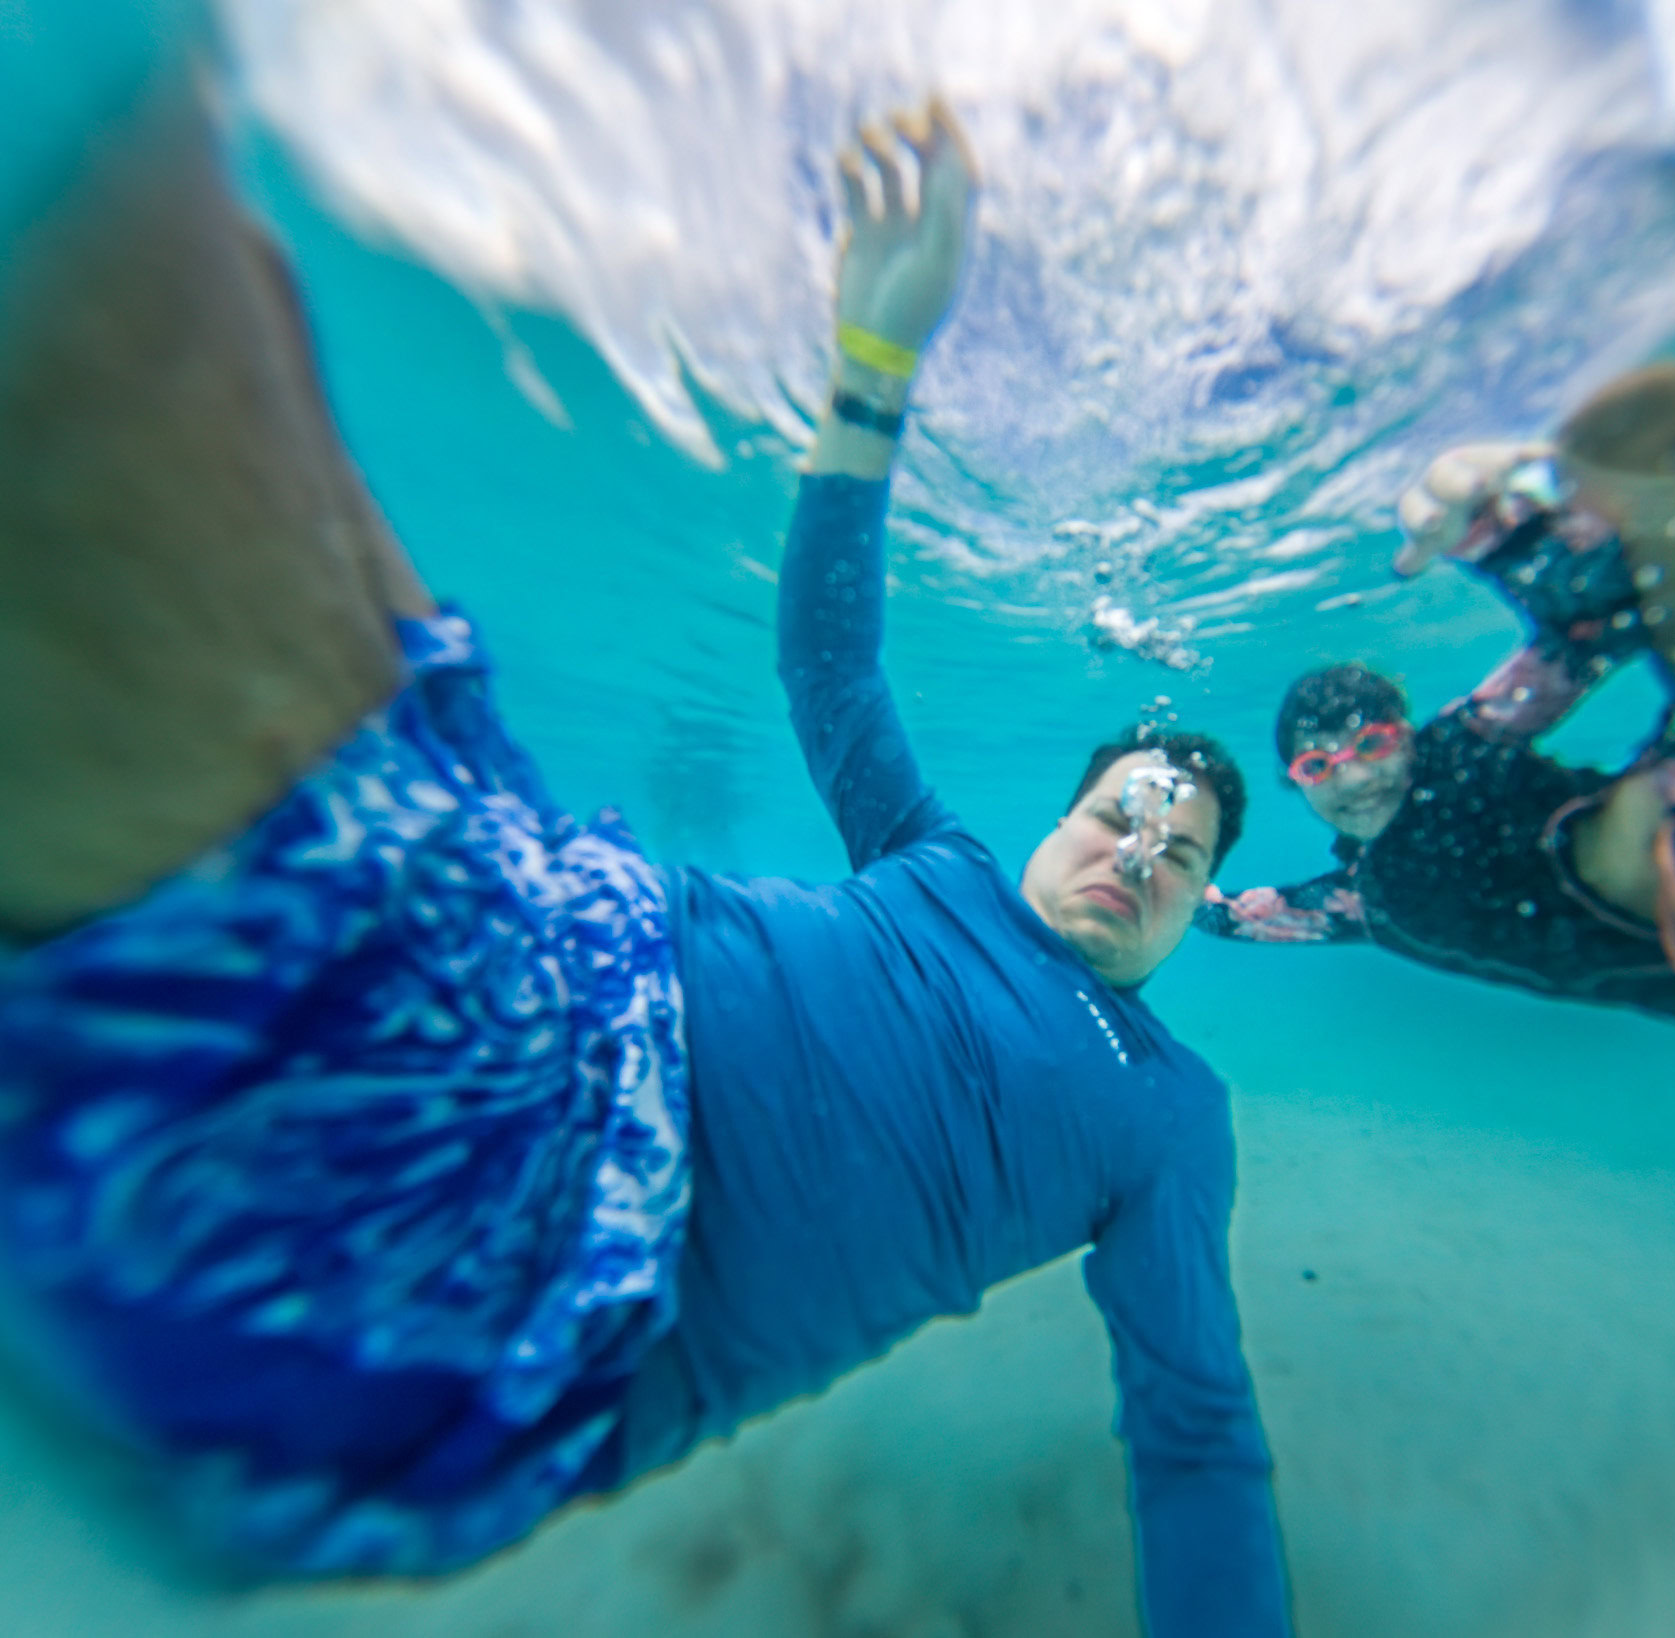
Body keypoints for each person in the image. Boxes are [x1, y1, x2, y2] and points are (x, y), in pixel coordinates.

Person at [0, 72, 1294, 1635]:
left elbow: (1196, 1430)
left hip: (552, 1189)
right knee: (255, 314)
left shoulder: (1164, 1108)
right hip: (548, 906)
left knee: (122, 313)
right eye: (1119, 811)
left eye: (1176, 853)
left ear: (1199, 907)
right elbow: (830, 664)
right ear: (1058, 815)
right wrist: (875, 362)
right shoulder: (935, 852)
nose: (1135, 853)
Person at [1199, 363, 1675, 1037]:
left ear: (1404, 736)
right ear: (1297, 785)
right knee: (1413, 882)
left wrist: (1532, 544)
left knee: (1585, 830)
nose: (1352, 776)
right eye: (1317, 767)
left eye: (1372, 744)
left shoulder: (1457, 749)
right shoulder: (1358, 899)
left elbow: (1582, 638)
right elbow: (1239, 918)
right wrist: (1177, 887)